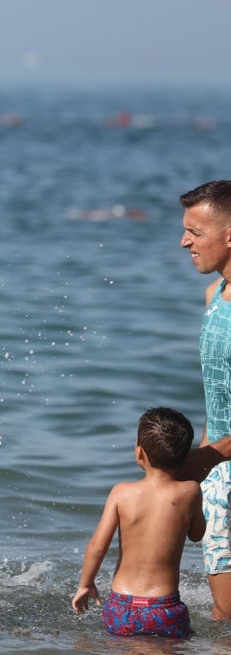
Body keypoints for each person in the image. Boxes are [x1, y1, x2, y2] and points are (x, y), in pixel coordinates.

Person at [72, 407, 204, 638]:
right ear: (184, 456)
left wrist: (86, 583)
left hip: (121, 605)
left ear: (139, 452)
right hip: (164, 606)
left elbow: (97, 546)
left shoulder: (121, 493)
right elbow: (197, 534)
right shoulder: (190, 491)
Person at [179, 180, 231, 619]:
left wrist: (206, 458)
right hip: (218, 477)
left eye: (195, 233)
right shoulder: (213, 295)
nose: (184, 242)